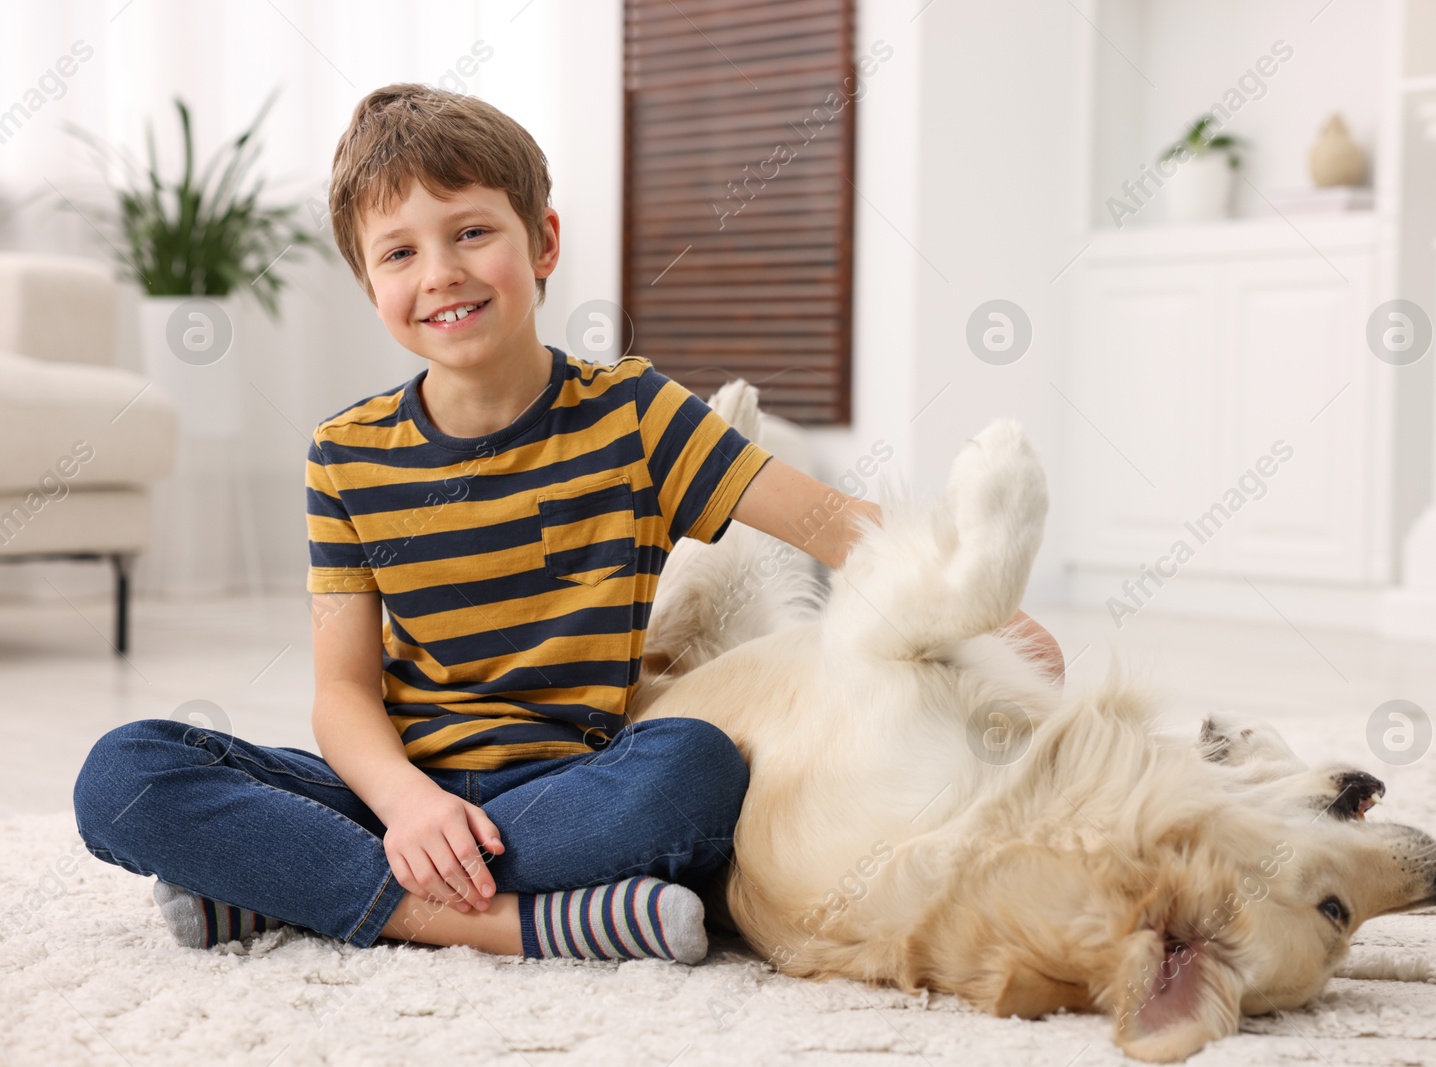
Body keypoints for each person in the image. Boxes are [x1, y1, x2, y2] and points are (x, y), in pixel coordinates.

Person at [72, 83, 1065, 963]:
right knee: (124, 771)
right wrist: (411, 805)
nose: (441, 273)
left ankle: (287, 890)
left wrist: (972, 610)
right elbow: (341, 694)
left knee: (698, 767)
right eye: (400, 251)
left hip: (571, 788)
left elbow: (830, 521)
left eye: (471, 232)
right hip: (400, 791)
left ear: (542, 241)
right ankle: (506, 923)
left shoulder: (632, 414)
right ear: (370, 283)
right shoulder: (345, 452)